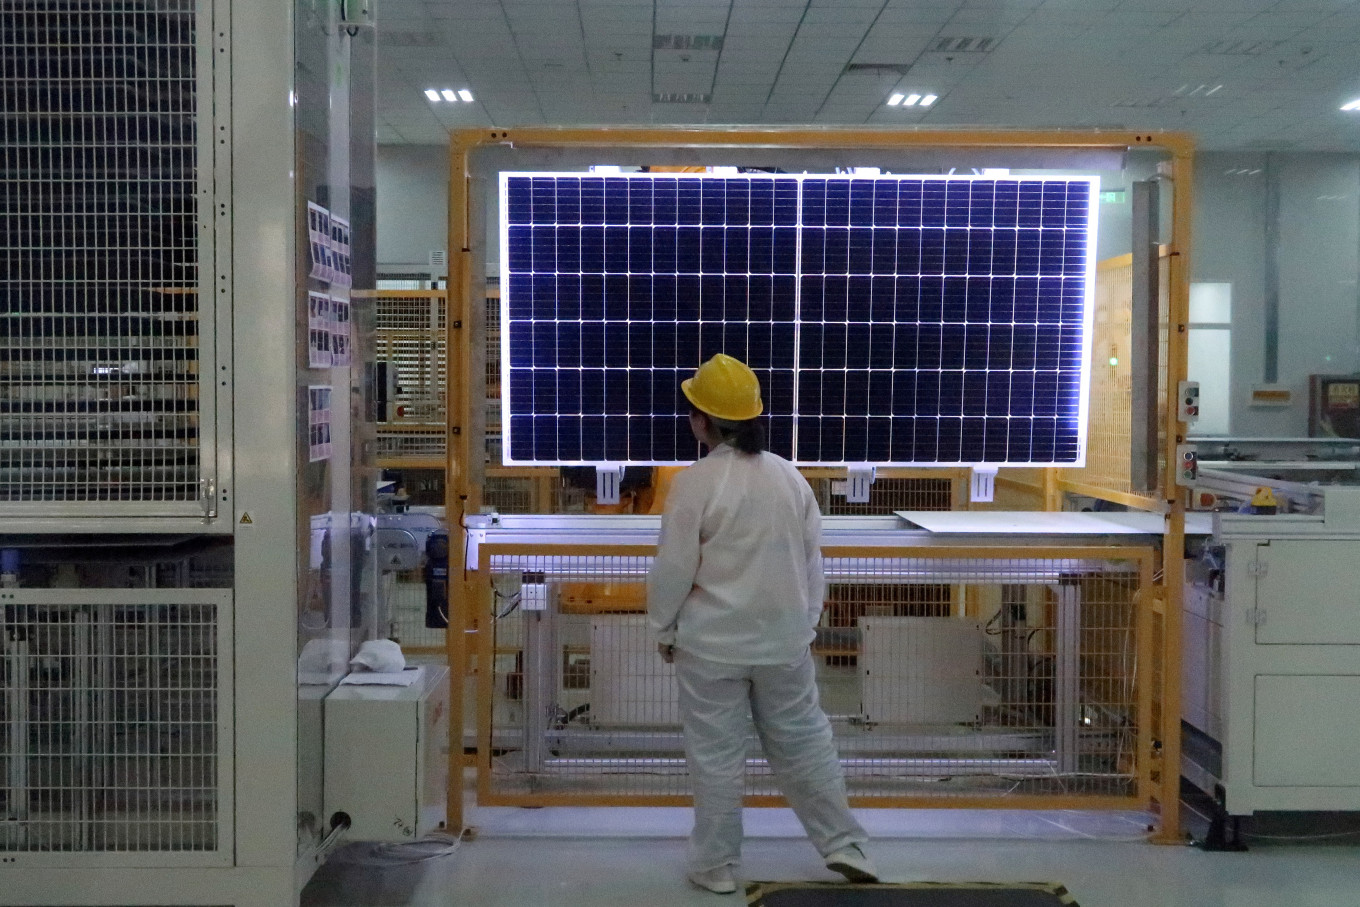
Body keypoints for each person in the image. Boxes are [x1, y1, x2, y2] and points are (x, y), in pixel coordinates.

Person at [647, 353, 878, 895]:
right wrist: (806, 624)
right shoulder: (789, 478)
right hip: (784, 645)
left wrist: (662, 628)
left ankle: (715, 866)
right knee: (806, 745)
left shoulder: (694, 483)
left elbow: (674, 567)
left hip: (711, 649)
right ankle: (844, 845)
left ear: (702, 421)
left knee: (717, 757)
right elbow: (811, 560)